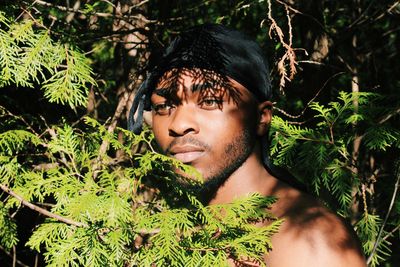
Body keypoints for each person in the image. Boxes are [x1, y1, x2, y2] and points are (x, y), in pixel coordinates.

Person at [128, 24, 367, 266]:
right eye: (164, 106)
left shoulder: (309, 239)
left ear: (262, 118)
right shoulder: (173, 230)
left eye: (209, 101)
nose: (179, 125)